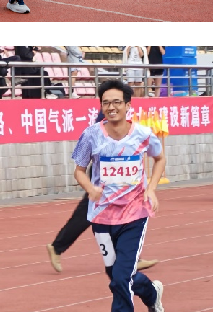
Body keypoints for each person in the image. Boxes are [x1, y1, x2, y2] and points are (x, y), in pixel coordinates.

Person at [71, 80, 165, 312]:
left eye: (116, 102)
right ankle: (152, 293)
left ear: (127, 105)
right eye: (106, 103)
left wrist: (151, 188)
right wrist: (90, 189)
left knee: (121, 278)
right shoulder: (91, 135)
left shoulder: (143, 134)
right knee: (116, 274)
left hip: (134, 214)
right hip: (102, 216)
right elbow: (79, 170)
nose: (111, 107)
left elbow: (159, 158)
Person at [47, 105, 158, 273]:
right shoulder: (110, 110)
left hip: (119, 166)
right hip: (106, 167)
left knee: (122, 208)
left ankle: (131, 257)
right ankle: (57, 246)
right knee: (89, 213)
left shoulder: (121, 109)